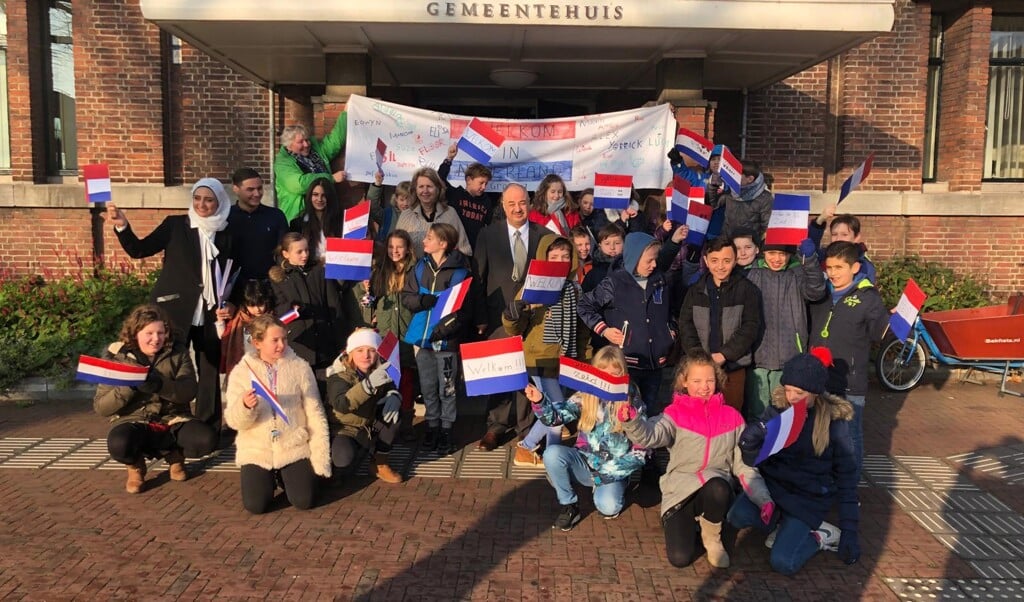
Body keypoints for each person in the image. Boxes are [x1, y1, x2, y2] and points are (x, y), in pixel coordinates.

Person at [619, 348, 773, 568]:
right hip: (680, 491)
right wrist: (632, 421)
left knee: (719, 486)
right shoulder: (673, 414)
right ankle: (689, 523)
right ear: (684, 382)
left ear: (717, 380)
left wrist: (763, 499)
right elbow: (650, 436)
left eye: (710, 380)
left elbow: (744, 466)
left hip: (714, 489)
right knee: (680, 558)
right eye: (697, 380)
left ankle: (712, 536)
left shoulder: (732, 417)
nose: (704, 387)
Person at [106, 178, 236, 433]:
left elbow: (233, 273)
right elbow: (140, 250)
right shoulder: (175, 225)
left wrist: (230, 303)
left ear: (219, 201)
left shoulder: (228, 232)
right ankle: (163, 422)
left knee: (209, 368)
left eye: (208, 200)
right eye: (197, 198)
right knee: (169, 364)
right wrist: (122, 226)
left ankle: (206, 427)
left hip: (211, 311)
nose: (202, 204)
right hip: (174, 309)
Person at [730, 347, 860, 575]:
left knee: (783, 562)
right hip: (776, 490)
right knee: (736, 516)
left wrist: (850, 530)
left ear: (815, 392)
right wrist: (748, 446)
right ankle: (781, 525)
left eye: (799, 392)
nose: (791, 397)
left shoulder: (834, 423)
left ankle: (820, 536)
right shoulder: (778, 410)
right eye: (788, 389)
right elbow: (756, 461)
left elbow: (847, 478)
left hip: (808, 500)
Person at [93, 304, 218, 494]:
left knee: (206, 438)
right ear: (135, 333)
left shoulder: (178, 352)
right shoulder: (117, 357)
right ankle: (135, 467)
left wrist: (160, 385)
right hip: (134, 420)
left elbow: (189, 390)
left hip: (172, 419)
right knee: (119, 443)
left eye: (161, 333)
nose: (156, 339)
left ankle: (175, 456)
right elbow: (101, 407)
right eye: (149, 333)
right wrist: (130, 386)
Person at [524, 346, 647, 530]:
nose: (609, 380)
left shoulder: (632, 399)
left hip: (612, 469)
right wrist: (539, 400)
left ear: (623, 374)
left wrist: (607, 475)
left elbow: (642, 449)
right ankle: (569, 505)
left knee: (608, 507)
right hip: (584, 461)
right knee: (552, 454)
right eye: (603, 375)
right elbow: (555, 418)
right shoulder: (586, 394)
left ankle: (617, 486)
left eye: (615, 374)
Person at [225, 314, 331, 514]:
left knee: (304, 501)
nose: (281, 345)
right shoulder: (241, 372)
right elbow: (233, 420)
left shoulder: (300, 367)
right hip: (257, 448)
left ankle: (288, 476)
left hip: (293, 444)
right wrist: (245, 407)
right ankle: (267, 478)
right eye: (274, 340)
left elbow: (315, 412)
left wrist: (320, 456)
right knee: (255, 506)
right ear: (257, 343)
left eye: (284, 339)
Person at [503, 234, 590, 466]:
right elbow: (514, 326)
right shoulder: (533, 286)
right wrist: (516, 312)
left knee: (556, 409)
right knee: (558, 411)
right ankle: (545, 452)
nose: (560, 261)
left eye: (565, 256)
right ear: (544, 258)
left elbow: (581, 329)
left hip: (566, 357)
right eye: (553, 257)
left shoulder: (575, 289)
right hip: (539, 358)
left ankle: (535, 449)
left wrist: (583, 358)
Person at [472, 183, 547, 451]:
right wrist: (480, 316)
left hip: (534, 318)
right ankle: (496, 425)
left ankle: (527, 426)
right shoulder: (488, 235)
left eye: (523, 203)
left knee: (529, 371)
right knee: (501, 371)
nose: (518, 208)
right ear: (503, 207)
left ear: (530, 204)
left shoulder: (544, 236)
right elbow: (478, 279)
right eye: (512, 204)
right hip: (497, 317)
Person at [577, 230, 684, 415]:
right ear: (634, 258)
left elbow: (670, 310)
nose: (654, 264)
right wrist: (604, 330)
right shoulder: (614, 283)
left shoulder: (659, 280)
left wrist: (670, 329)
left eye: (655, 259)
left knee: (649, 411)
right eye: (649, 260)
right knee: (625, 412)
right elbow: (584, 305)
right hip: (627, 363)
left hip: (656, 363)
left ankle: (645, 444)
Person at [808, 241, 888, 474]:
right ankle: (825, 480)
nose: (832, 273)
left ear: (854, 268)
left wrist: (898, 325)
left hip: (849, 382)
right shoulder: (820, 293)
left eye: (839, 268)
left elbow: (878, 334)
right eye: (829, 267)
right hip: (818, 378)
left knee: (849, 437)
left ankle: (850, 486)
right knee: (819, 433)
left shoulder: (868, 298)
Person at [402, 223, 476, 455]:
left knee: (448, 387)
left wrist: (442, 331)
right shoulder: (419, 268)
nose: (424, 241)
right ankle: (432, 426)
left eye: (430, 237)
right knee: (427, 386)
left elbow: (463, 311)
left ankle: (446, 428)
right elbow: (407, 296)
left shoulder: (461, 273)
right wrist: (422, 302)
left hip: (445, 341)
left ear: (443, 243)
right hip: (422, 340)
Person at [743, 238, 826, 420]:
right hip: (758, 353)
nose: (777, 259)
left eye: (783, 254)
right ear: (763, 252)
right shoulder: (751, 273)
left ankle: (783, 448)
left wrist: (810, 260)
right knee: (756, 410)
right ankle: (757, 445)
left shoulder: (797, 273)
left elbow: (816, 291)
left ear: (790, 255)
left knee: (784, 412)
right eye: (772, 253)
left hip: (788, 354)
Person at [678, 237, 762, 411]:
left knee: (730, 413)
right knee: (699, 414)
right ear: (706, 261)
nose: (721, 266)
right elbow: (686, 324)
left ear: (735, 260)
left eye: (726, 260)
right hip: (700, 368)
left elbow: (750, 326)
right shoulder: (696, 290)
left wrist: (724, 354)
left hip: (733, 366)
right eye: (715, 261)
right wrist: (699, 356)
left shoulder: (747, 289)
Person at [268, 232, 345, 398]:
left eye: (306, 250)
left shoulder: (319, 271)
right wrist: (293, 308)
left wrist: (340, 340)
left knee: (326, 392)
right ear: (286, 254)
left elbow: (334, 305)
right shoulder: (279, 278)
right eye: (299, 252)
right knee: (302, 395)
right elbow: (279, 309)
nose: (304, 255)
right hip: (299, 344)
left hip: (324, 343)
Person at [326, 328, 404, 484]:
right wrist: (367, 386)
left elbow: (390, 387)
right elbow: (341, 404)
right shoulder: (338, 374)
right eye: (359, 350)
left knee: (395, 415)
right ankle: (336, 461)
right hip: (344, 427)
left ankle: (379, 463)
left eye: (371, 350)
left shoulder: (380, 369)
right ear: (350, 352)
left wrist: (395, 396)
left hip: (369, 424)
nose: (366, 355)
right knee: (343, 460)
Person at [370, 229, 418, 440]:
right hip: (386, 332)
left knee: (406, 378)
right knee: (387, 378)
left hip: (407, 331)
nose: (394, 251)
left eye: (399, 247)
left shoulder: (416, 270)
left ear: (408, 249)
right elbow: (372, 301)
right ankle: (388, 422)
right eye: (390, 247)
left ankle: (406, 422)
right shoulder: (380, 270)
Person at [274, 115, 348, 222]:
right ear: (288, 146)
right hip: (299, 217)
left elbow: (335, 142)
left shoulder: (315, 151)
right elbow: (299, 184)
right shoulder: (283, 163)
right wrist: (330, 178)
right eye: (300, 142)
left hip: (324, 212)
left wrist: (345, 114)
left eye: (307, 140)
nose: (306, 144)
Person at [228, 167, 289, 283]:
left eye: (259, 188)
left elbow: (284, 252)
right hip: (235, 286)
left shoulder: (276, 216)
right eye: (250, 189)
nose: (256, 194)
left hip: (270, 284)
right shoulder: (226, 218)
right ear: (236, 189)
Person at [396, 167, 472, 258]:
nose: (425, 191)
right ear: (415, 190)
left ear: (438, 188)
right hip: (412, 271)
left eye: (429, 186)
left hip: (444, 271)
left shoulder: (450, 213)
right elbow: (397, 249)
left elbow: (464, 249)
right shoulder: (406, 215)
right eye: (421, 187)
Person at [439, 144, 498, 248]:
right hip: (455, 249)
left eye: (486, 183)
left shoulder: (486, 201)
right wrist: (449, 159)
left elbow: (490, 226)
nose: (484, 187)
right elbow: (439, 179)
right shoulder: (456, 194)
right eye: (481, 183)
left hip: (476, 251)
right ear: (469, 180)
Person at [221, 278, 275, 381]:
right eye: (252, 305)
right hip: (243, 367)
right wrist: (220, 321)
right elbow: (224, 336)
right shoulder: (238, 319)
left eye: (261, 304)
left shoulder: (272, 319)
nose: (258, 309)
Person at [809, 204, 877, 284]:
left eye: (844, 235)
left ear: (857, 237)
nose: (838, 239)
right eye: (834, 234)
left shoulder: (864, 266)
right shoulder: (824, 256)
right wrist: (820, 219)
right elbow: (810, 248)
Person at [289, 177, 342, 262]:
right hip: (309, 271)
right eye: (315, 194)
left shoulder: (341, 221)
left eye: (324, 195)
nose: (319, 199)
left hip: (335, 270)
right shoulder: (297, 224)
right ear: (310, 196)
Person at [721, 160, 774, 242]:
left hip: (749, 244)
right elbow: (714, 204)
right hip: (728, 241)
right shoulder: (730, 191)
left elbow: (767, 226)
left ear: (750, 179)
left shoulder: (764, 197)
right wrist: (713, 186)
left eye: (737, 175)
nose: (733, 177)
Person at [580, 223, 625, 295]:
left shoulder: (630, 268)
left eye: (617, 243)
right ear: (600, 245)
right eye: (607, 243)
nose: (612, 247)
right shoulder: (593, 273)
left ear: (624, 243)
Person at [368, 176, 413, 243]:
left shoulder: (418, 215)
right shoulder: (387, 214)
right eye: (401, 200)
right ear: (396, 199)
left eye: (409, 200)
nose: (405, 203)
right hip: (387, 251)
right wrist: (377, 185)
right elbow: (372, 206)